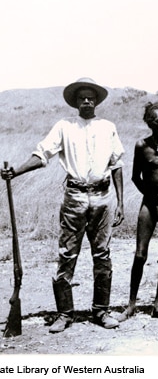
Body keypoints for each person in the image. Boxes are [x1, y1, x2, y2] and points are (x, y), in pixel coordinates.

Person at [1, 77, 124, 333]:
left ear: (97, 101)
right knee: (68, 254)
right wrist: (17, 171)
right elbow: (42, 153)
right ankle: (64, 314)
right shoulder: (64, 127)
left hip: (103, 197)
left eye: (91, 97)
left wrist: (121, 202)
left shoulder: (108, 127)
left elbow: (117, 165)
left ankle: (101, 311)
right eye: (82, 98)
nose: (87, 101)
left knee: (102, 255)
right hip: (75, 198)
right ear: (76, 102)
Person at [118, 102, 158, 321]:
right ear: (150, 123)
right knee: (140, 254)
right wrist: (151, 196)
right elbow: (136, 177)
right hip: (149, 204)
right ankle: (131, 305)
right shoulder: (141, 146)